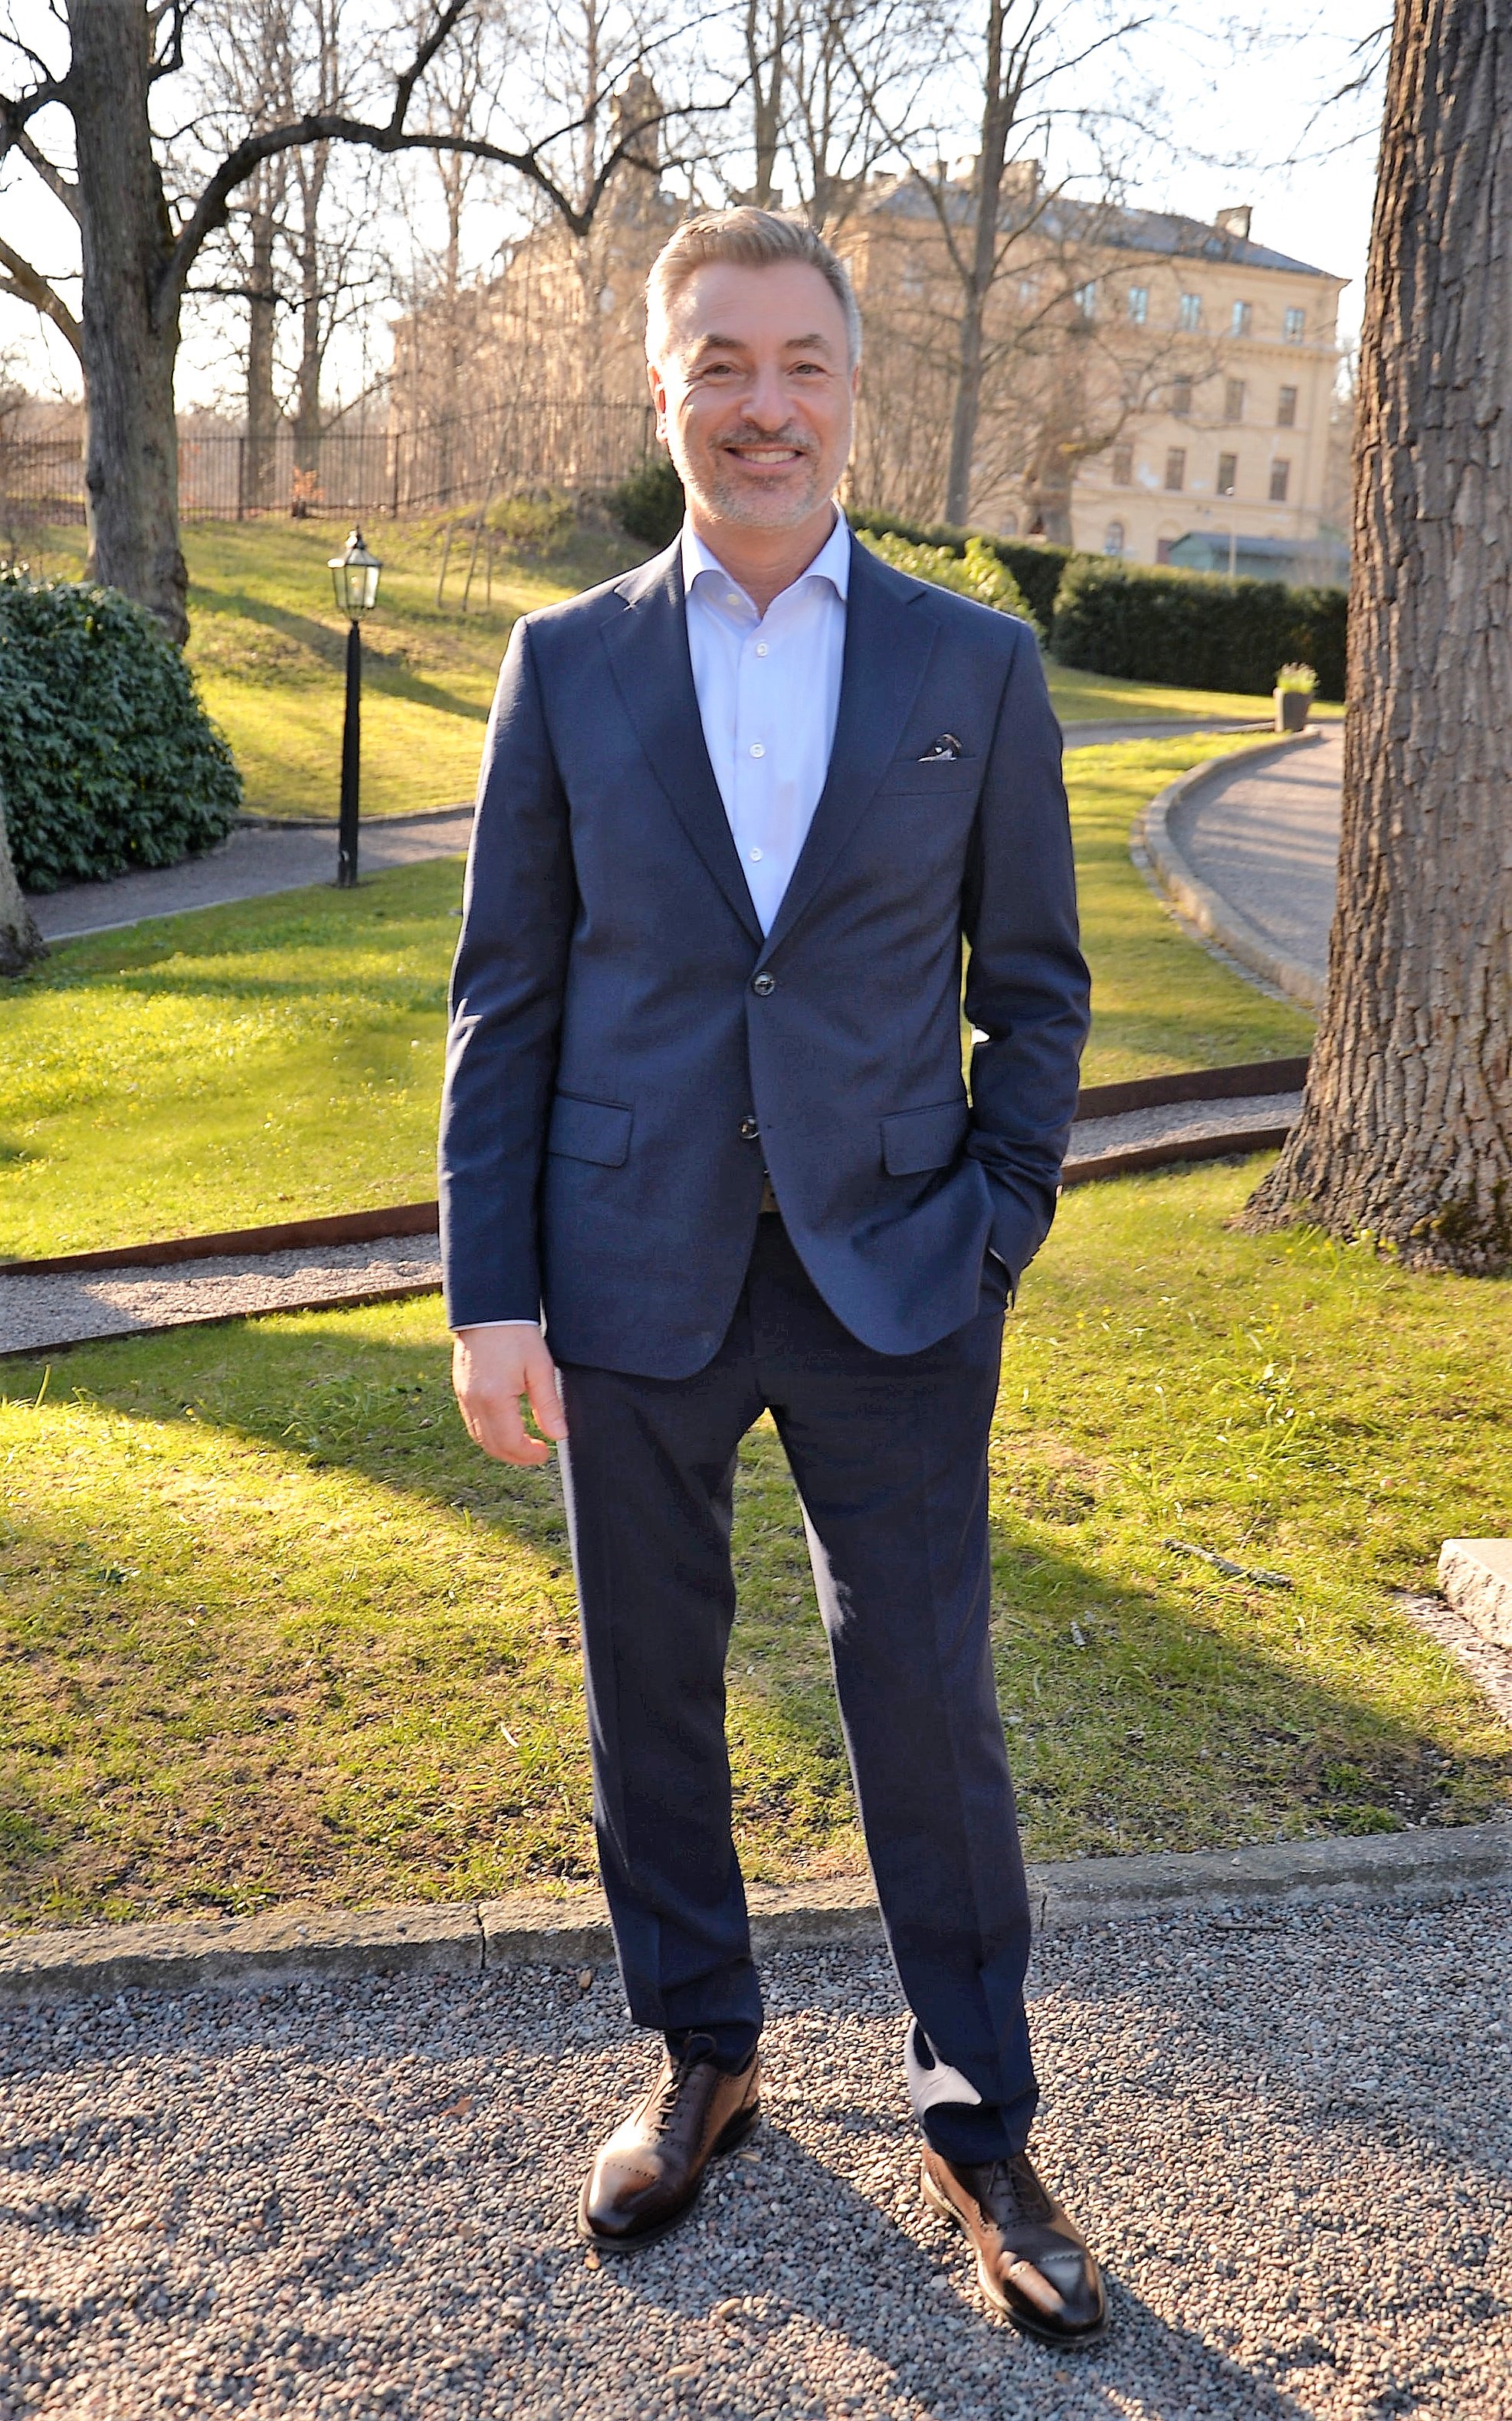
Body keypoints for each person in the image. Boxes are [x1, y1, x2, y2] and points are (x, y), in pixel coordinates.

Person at [439, 208, 1101, 2347]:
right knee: (651, 1684)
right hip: (624, 1267)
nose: (764, 405)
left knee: (927, 1697)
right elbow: (506, 998)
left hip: (897, 1272)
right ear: (664, 389)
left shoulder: (973, 667)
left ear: (853, 394)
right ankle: (703, 2054)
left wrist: (998, 1220)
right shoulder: (567, 664)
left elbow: (1040, 987)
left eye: (803, 363)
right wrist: (489, 1292)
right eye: (720, 363)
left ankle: (981, 2115)